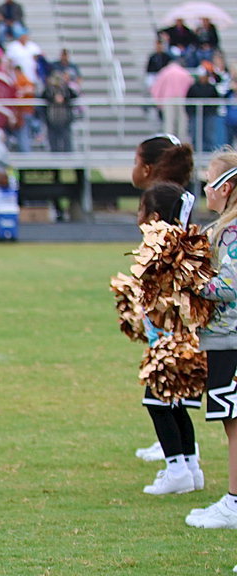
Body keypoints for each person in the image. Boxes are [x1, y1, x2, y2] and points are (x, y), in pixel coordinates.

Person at [129, 133, 199, 465]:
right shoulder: (174, 199)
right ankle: (181, 455)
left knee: (163, 393)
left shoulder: (164, 202)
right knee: (168, 392)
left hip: (171, 320)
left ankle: (179, 461)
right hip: (170, 317)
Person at [184, 151, 237, 528]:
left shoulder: (232, 231)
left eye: (210, 180)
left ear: (228, 187)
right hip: (222, 338)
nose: (205, 187)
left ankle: (235, 502)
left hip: (231, 338)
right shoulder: (222, 227)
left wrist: (192, 283)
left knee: (235, 425)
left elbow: (232, 284)